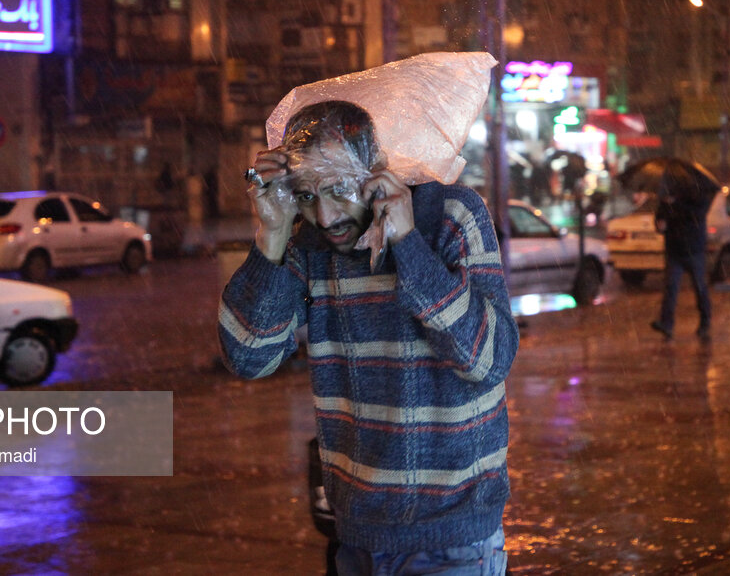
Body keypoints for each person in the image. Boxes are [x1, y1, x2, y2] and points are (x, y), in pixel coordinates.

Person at [218, 100, 519, 575]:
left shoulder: (450, 214)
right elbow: (248, 356)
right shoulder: (309, 245)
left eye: (339, 188)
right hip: (356, 538)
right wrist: (271, 237)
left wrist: (408, 245)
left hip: (454, 541)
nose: (325, 214)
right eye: (306, 194)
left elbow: (487, 358)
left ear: (375, 172)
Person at [650, 187, 713, 342]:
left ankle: (705, 322)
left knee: (700, 287)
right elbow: (660, 219)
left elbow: (696, 214)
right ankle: (667, 324)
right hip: (674, 250)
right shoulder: (667, 197)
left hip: (694, 249)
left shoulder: (698, 195)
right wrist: (660, 224)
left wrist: (675, 204)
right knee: (671, 287)